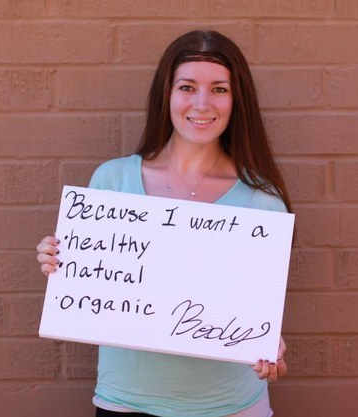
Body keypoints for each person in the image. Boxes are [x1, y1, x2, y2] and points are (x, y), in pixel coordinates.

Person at [36, 30, 291, 417]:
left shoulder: (262, 201)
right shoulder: (113, 181)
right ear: (166, 95)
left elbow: (257, 311)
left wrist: (269, 343)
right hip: (125, 402)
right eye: (187, 87)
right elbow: (90, 287)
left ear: (237, 100)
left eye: (219, 89)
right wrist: (59, 261)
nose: (202, 103)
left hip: (231, 406)